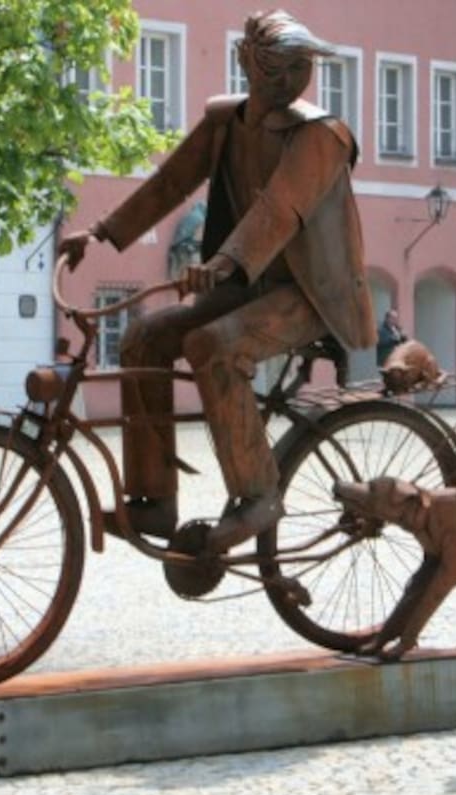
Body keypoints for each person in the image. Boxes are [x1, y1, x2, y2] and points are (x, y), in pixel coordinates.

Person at [58, 10, 375, 553]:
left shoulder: (321, 134)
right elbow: (172, 181)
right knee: (143, 339)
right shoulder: (227, 122)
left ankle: (258, 495)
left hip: (313, 294)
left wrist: (223, 262)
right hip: (251, 284)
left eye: (298, 68)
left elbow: (280, 209)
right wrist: (102, 232)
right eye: (276, 68)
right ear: (246, 64)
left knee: (214, 346)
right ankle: (153, 500)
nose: (289, 80)